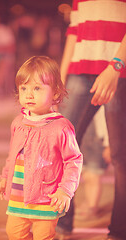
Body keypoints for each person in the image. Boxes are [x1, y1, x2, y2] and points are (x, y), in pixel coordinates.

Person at [0, 56, 83, 240]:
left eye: (37, 88)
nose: (29, 94)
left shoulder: (61, 127)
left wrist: (65, 190)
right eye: (24, 88)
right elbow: (13, 156)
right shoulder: (18, 122)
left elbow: (73, 160)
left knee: (44, 236)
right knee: (14, 233)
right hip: (18, 197)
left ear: (56, 93)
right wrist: (4, 179)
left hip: (46, 198)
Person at [57, 0, 126, 240]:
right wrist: (61, 79)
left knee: (121, 156)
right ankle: (60, 225)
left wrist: (116, 67)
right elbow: (74, 32)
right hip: (79, 71)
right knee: (61, 145)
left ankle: (119, 232)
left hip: (119, 71)